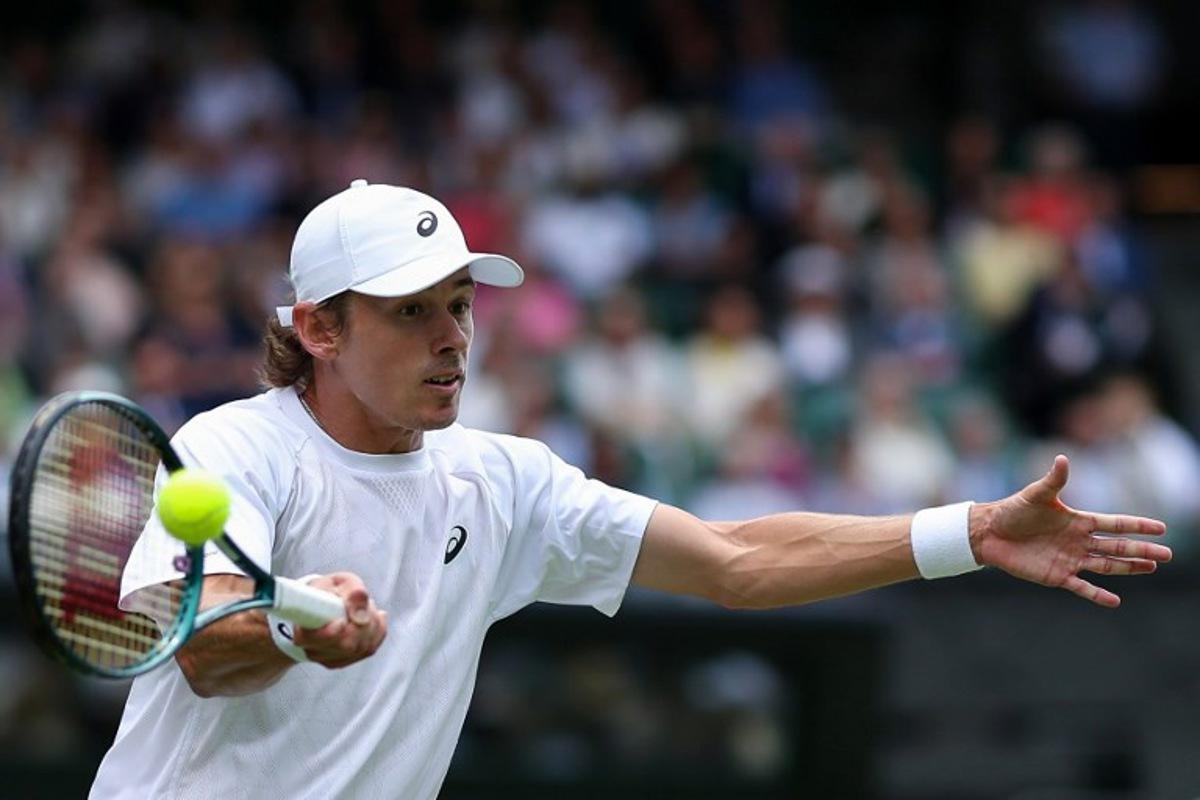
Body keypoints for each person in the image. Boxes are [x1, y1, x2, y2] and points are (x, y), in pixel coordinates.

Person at [89, 180, 1171, 799]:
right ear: (318, 328)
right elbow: (199, 640)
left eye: (460, 304)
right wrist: (290, 627)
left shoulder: (503, 479)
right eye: (412, 311)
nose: (454, 337)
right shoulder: (237, 449)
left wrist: (971, 530)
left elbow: (738, 562)